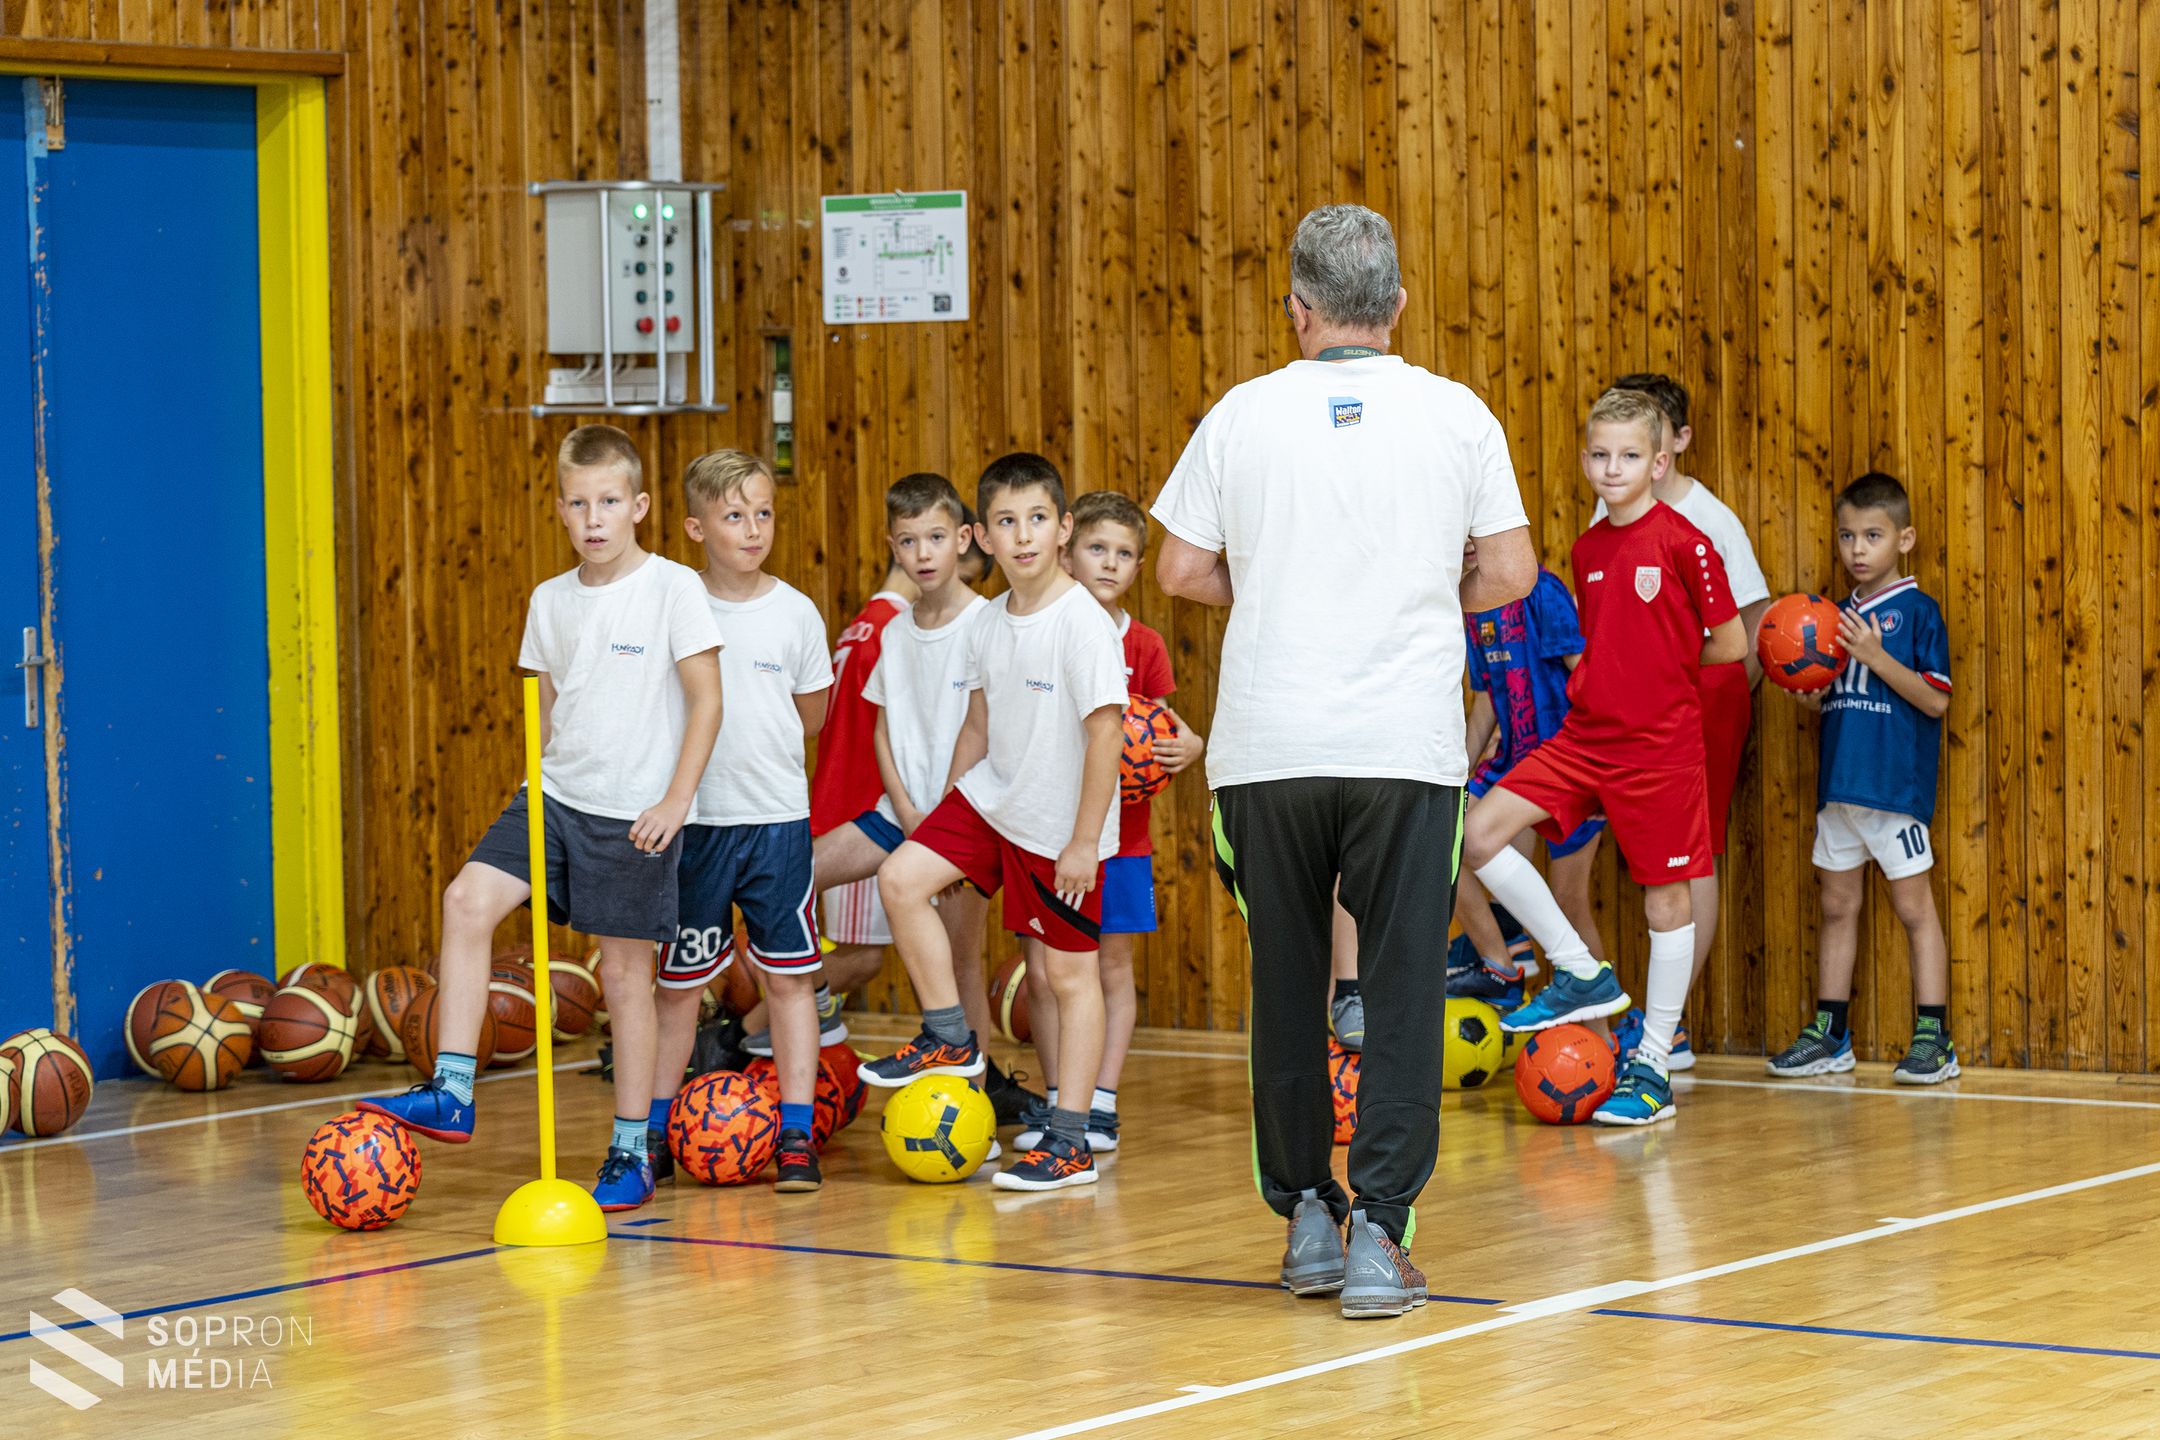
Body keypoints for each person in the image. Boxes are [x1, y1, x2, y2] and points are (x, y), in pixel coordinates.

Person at [1154, 203, 1536, 1319]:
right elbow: (1511, 572)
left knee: (1287, 981)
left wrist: (1275, 586)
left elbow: (1179, 568)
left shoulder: (1242, 413)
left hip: (1266, 749)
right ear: (1399, 307)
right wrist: (1420, 588)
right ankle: (1380, 1236)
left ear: (1298, 309)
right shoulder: (1459, 414)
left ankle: (1306, 1220)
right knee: (1403, 989)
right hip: (1401, 752)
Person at [361, 425, 723, 1213]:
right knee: (465, 900)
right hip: (553, 798)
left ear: (640, 507)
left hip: (635, 813)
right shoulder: (549, 601)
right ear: (560, 510)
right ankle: (452, 1088)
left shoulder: (672, 589)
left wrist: (674, 801)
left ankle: (632, 1151)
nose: (595, 518)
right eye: (579, 504)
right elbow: (551, 706)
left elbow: (707, 701)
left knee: (625, 977)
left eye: (610, 502)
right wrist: (541, 782)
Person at [1463, 389, 1747, 1128]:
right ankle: (1582, 971)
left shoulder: (1686, 543)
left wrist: (1661, 679)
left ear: (1659, 461)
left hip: (1660, 747)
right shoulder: (1588, 549)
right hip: (1586, 738)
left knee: (1666, 899)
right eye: (1599, 454)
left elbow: (1731, 644)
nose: (1611, 468)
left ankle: (1651, 1065)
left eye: (1627, 456)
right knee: (1478, 834)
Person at [860, 453, 1126, 1194]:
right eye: (1006, 523)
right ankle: (949, 1035)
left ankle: (1069, 1141)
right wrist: (943, 821)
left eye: (1038, 519)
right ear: (983, 535)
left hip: (1057, 827)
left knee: (1071, 978)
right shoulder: (990, 621)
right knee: (902, 876)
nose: (1023, 536)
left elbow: (1106, 734)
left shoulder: (1082, 624)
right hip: (991, 803)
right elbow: (977, 726)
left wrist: (1082, 841)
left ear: (1064, 528)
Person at [649, 450, 834, 1191]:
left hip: (777, 823)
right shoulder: (670, 604)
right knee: (678, 990)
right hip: (693, 827)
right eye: (734, 516)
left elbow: (811, 715)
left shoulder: (795, 612)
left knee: (790, 982)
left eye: (763, 513)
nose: (753, 529)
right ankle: (650, 1136)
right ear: (696, 527)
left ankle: (795, 1136)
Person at [1013, 491, 1203, 1153]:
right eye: (1098, 548)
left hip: (1123, 840)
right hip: (1043, 832)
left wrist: (1195, 745)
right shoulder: (1040, 623)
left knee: (1110, 969)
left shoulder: (1143, 644)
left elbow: (1165, 728)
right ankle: (1059, 1093)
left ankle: (1099, 1101)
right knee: (1043, 972)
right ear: (1067, 550)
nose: (1110, 564)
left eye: (1125, 555)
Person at [1594, 374, 1773, 1070]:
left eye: (1647, 439)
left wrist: (1706, 707)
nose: (1629, 458)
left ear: (1675, 444)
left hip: (1699, 698)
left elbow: (1750, 627)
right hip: (1628, 710)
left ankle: (1667, 1028)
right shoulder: (1606, 518)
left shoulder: (1708, 520)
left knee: (1689, 853)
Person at [1767, 471, 1956, 1084]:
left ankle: (1934, 1036)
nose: (1857, 549)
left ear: (1904, 539)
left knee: (1913, 908)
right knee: (1837, 905)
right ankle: (1831, 1033)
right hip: (1840, 790)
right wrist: (1812, 698)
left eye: (1872, 535)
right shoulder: (1830, 613)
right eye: (1847, 535)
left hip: (1893, 791)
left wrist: (1877, 657)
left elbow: (1935, 702)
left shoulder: (1918, 613)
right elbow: (1841, 698)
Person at [854, 472, 1000, 1143]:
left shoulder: (985, 624)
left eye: (937, 537)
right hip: (902, 810)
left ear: (964, 539)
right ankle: (804, 1021)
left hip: (963, 813)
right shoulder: (895, 630)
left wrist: (938, 814)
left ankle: (970, 1094)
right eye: (909, 541)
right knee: (794, 871)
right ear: (893, 546)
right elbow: (882, 726)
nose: (923, 553)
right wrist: (909, 807)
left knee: (962, 956)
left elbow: (983, 726)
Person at [1446, 550, 1606, 1007]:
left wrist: (1610, 755)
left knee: (1569, 903)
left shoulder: (1542, 590)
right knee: (1439, 829)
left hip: (1568, 762)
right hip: (1513, 762)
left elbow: (1587, 677)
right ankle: (1501, 958)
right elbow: (1487, 703)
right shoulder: (1471, 605)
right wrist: (1455, 774)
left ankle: (1601, 1035)